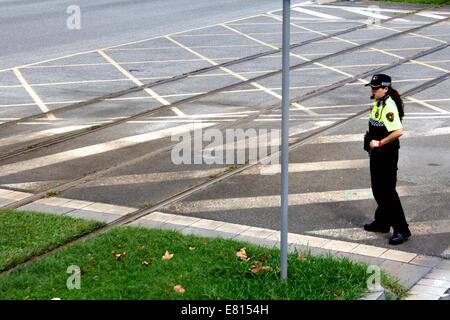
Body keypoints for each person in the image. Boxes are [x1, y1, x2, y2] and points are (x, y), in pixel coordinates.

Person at [363, 74, 411, 245]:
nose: (373, 90)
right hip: (377, 153)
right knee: (378, 189)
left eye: (376, 88)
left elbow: (398, 131)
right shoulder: (378, 102)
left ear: (386, 88)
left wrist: (380, 142)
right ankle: (382, 222)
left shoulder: (389, 106)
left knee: (388, 192)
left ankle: (402, 229)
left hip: (387, 154)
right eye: (372, 87)